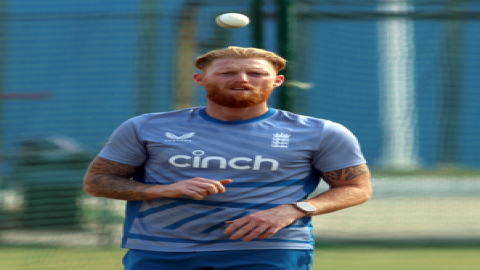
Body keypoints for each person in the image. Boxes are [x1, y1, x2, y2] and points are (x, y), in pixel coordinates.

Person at [84, 46, 372, 270]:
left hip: (267, 250)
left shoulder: (322, 132)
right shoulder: (146, 126)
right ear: (201, 79)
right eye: (227, 73)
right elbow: (97, 182)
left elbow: (356, 188)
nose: (242, 79)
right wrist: (160, 189)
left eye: (256, 74)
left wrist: (293, 210)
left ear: (277, 81)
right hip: (161, 249)